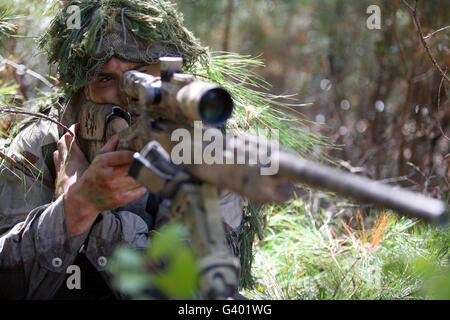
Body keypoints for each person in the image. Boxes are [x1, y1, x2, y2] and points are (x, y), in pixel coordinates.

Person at [0, 0, 245, 299]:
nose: (128, 97)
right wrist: (75, 209)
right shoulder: (43, 143)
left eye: (143, 74)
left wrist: (92, 215)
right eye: (105, 79)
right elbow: (9, 282)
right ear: (81, 87)